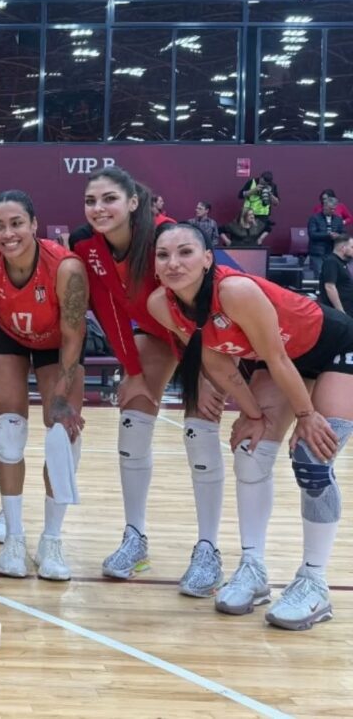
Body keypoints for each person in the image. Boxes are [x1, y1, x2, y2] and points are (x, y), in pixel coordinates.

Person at [148, 221, 353, 630]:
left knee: (313, 460)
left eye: (186, 252)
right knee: (249, 449)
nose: (174, 263)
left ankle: (314, 582)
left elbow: (276, 358)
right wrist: (253, 415)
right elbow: (217, 360)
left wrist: (307, 416)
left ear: (208, 258)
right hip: (283, 359)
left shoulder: (235, 291)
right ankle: (253, 568)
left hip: (336, 347)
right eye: (163, 255)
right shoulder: (161, 305)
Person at [70, 167, 225, 596]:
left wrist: (206, 374)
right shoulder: (86, 244)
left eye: (109, 199)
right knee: (133, 417)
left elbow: (197, 311)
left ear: (133, 202)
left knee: (201, 425)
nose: (99, 208)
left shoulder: (164, 238)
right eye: (91, 201)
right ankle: (134, 537)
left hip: (205, 334)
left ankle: (209, 549)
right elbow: (109, 311)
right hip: (157, 332)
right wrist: (133, 373)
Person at [0, 191, 88, 580]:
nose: (8, 233)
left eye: (16, 223)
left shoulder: (66, 267)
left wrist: (62, 399)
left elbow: (73, 336)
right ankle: (14, 538)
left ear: (34, 224)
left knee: (62, 433)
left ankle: (52, 539)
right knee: (9, 432)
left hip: (57, 343)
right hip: (9, 337)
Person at [308, 197, 344, 279]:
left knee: (331, 275)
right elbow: (312, 234)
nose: (333, 211)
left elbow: (343, 233)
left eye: (334, 209)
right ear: (324, 207)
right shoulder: (314, 218)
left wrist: (338, 236)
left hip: (332, 252)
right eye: (331, 209)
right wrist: (328, 235)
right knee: (319, 275)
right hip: (317, 252)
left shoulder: (338, 219)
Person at [319, 234, 353, 314]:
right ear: (343, 248)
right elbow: (330, 287)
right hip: (339, 312)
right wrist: (340, 311)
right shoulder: (331, 262)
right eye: (352, 247)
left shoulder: (343, 263)